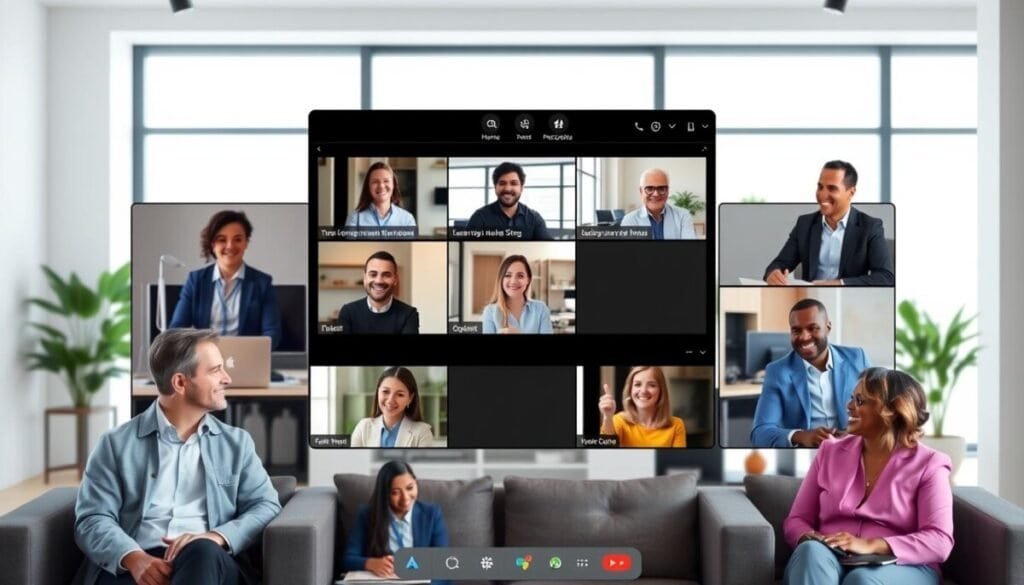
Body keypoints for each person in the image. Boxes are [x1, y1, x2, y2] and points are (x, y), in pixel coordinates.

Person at [74, 329, 282, 585]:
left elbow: (266, 505)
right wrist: (133, 558)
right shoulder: (115, 444)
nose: (226, 378)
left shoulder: (236, 443)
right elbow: (92, 518)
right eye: (215, 370)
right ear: (180, 383)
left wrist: (215, 536)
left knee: (202, 552)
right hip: (135, 567)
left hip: (208, 561)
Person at [782, 367, 953, 585]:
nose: (849, 406)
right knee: (810, 553)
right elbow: (796, 520)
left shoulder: (930, 464)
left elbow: (939, 541)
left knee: (862, 580)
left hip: (900, 565)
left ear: (892, 410)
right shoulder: (829, 452)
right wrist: (813, 539)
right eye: (852, 398)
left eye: (860, 401)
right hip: (831, 555)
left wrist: (872, 544)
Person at [750, 298, 870, 448]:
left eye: (813, 328)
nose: (804, 337)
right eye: (796, 330)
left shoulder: (857, 358)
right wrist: (802, 436)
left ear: (828, 327)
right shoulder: (777, 372)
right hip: (809, 451)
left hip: (853, 447)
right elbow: (760, 433)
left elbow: (875, 410)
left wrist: (855, 433)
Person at [763, 160, 894, 286]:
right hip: (811, 298)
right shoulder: (805, 224)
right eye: (820, 187)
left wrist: (840, 284)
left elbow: (885, 277)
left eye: (832, 188)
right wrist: (773, 273)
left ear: (851, 192)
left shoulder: (870, 227)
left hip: (848, 299)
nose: (822, 195)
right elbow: (779, 264)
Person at [170, 210, 282, 350]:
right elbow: (176, 329)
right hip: (205, 360)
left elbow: (272, 333)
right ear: (212, 244)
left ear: (246, 242)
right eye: (222, 239)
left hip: (246, 360)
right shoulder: (196, 280)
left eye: (238, 239)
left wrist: (251, 354)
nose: (230, 246)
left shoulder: (262, 283)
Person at [343, 461, 449, 580]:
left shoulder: (432, 514)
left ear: (416, 483)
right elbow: (348, 559)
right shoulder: (367, 515)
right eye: (395, 492)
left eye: (410, 488)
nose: (405, 498)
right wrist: (371, 563)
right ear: (385, 494)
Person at [597, 366, 686, 447]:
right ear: (630, 390)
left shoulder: (676, 425)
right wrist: (607, 417)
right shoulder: (618, 421)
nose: (643, 390)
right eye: (638, 384)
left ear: (661, 391)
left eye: (652, 385)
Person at [337, 251, 420, 334]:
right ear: (364, 278)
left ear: (395, 279)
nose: (379, 281)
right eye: (373, 274)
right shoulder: (348, 312)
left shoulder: (409, 314)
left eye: (386, 275)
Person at [465, 162, 552, 239]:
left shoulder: (534, 219)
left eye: (514, 183)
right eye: (502, 183)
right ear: (495, 187)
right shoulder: (480, 217)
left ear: (521, 188)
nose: (507, 188)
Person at [350, 367, 434, 447]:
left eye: (400, 394)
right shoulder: (363, 427)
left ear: (410, 398)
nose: (390, 400)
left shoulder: (422, 432)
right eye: (386, 391)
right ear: (378, 392)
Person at [481, 254, 553, 334]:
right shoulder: (490, 312)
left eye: (520, 276)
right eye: (508, 275)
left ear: (528, 280)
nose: (514, 281)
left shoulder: (541, 309)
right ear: (501, 279)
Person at [619, 168, 698, 240]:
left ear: (667, 191)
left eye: (661, 188)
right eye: (649, 188)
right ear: (641, 191)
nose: (656, 194)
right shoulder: (629, 220)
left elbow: (690, 250)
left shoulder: (683, 216)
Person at [344, 161, 417, 229]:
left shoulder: (407, 219)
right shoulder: (355, 218)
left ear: (393, 184)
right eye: (375, 181)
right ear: (368, 186)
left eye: (386, 181)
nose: (381, 186)